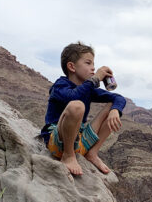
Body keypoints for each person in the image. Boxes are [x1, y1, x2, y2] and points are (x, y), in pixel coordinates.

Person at [40, 42, 126, 176]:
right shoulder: (60, 85)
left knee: (112, 104)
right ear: (72, 66)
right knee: (77, 106)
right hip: (58, 142)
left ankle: (92, 153)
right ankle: (68, 156)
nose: (93, 69)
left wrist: (115, 110)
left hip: (80, 142)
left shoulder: (89, 90)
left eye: (94, 65)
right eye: (88, 63)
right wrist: (95, 78)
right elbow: (73, 97)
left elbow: (119, 98)